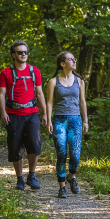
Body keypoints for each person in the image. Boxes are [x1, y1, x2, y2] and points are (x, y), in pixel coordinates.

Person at [0, 40, 48, 190]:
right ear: (13, 55)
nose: (23, 54)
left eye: (25, 52)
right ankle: (19, 179)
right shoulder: (5, 72)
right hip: (13, 114)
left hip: (32, 113)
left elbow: (39, 93)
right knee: (16, 147)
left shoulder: (34, 71)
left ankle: (31, 176)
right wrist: (3, 112)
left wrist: (45, 113)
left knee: (35, 143)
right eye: (20, 52)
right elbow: (1, 94)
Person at [45, 51, 89, 199]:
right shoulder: (53, 82)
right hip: (59, 120)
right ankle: (62, 186)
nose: (74, 61)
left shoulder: (80, 81)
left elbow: (83, 102)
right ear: (62, 64)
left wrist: (85, 120)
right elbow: (49, 102)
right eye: (71, 59)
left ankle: (72, 176)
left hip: (75, 120)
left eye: (75, 59)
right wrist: (49, 119)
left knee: (75, 155)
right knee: (62, 153)